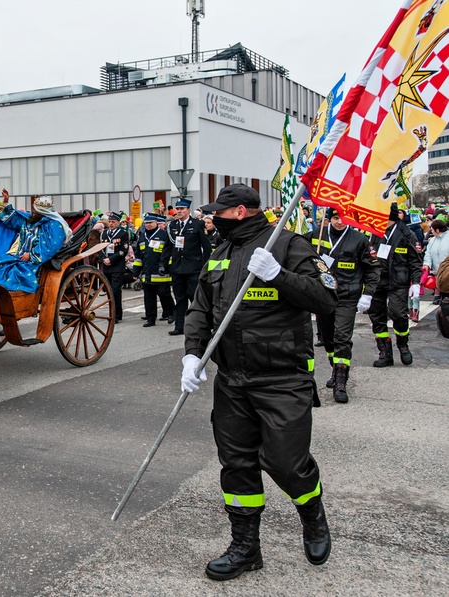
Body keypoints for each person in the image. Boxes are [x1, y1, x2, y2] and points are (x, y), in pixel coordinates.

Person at [181, 184, 338, 581]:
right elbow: (200, 307)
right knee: (237, 464)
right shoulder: (220, 251)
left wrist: (279, 275)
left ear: (239, 212)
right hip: (232, 380)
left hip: (282, 378)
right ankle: (245, 546)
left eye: (219, 211)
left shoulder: (287, 244)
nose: (212, 217)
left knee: (286, 463)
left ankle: (312, 513)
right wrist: (192, 354)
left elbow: (325, 299)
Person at [307, 208, 380, 403]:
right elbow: (298, 252)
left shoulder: (359, 239)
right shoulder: (317, 235)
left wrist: (368, 294)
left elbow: (372, 268)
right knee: (328, 339)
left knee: (342, 337)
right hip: (323, 295)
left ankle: (341, 382)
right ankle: (335, 368)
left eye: (344, 218)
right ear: (329, 218)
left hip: (347, 296)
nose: (340, 222)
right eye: (336, 218)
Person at [367, 203, 423, 367]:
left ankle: (403, 344)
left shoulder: (407, 234)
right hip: (377, 281)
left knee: (398, 314)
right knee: (377, 316)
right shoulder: (374, 233)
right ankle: (385, 352)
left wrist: (416, 282)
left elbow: (415, 261)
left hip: (398, 281)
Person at [0, 195, 71, 293]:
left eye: (35, 210)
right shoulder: (33, 219)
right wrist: (5, 203)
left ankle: (14, 297)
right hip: (19, 255)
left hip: (33, 260)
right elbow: (15, 220)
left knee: (15, 274)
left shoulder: (55, 226)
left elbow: (50, 247)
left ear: (43, 212)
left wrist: (31, 255)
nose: (33, 211)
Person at [161, 197, 212, 336]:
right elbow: (167, 247)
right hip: (177, 268)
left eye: (182, 209)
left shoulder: (197, 224)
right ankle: (180, 326)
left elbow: (206, 246)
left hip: (193, 267)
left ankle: (200, 326)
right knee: (180, 299)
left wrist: (206, 265)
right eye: (177, 209)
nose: (179, 211)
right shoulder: (172, 226)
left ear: (188, 210)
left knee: (194, 298)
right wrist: (163, 264)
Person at [132, 213, 172, 327]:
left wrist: (167, 268)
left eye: (150, 223)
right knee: (149, 298)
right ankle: (150, 318)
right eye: (146, 223)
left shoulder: (163, 235)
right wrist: (136, 271)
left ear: (156, 223)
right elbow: (138, 256)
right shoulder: (142, 237)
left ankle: (170, 312)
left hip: (161, 273)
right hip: (147, 273)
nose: (148, 225)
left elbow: (168, 253)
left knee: (164, 294)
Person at [100, 212, 130, 323]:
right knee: (108, 290)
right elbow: (100, 248)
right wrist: (103, 259)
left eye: (113, 222)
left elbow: (124, 250)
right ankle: (111, 313)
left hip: (117, 265)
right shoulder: (104, 234)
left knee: (116, 289)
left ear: (118, 222)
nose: (111, 224)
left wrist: (111, 259)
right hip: (106, 265)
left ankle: (117, 314)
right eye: (110, 221)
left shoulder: (123, 233)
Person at [422, 218, 449, 305]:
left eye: (432, 230)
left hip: (446, 270)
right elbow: (428, 253)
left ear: (437, 230)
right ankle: (439, 297)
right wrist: (427, 264)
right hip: (436, 270)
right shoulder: (432, 240)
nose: (431, 231)